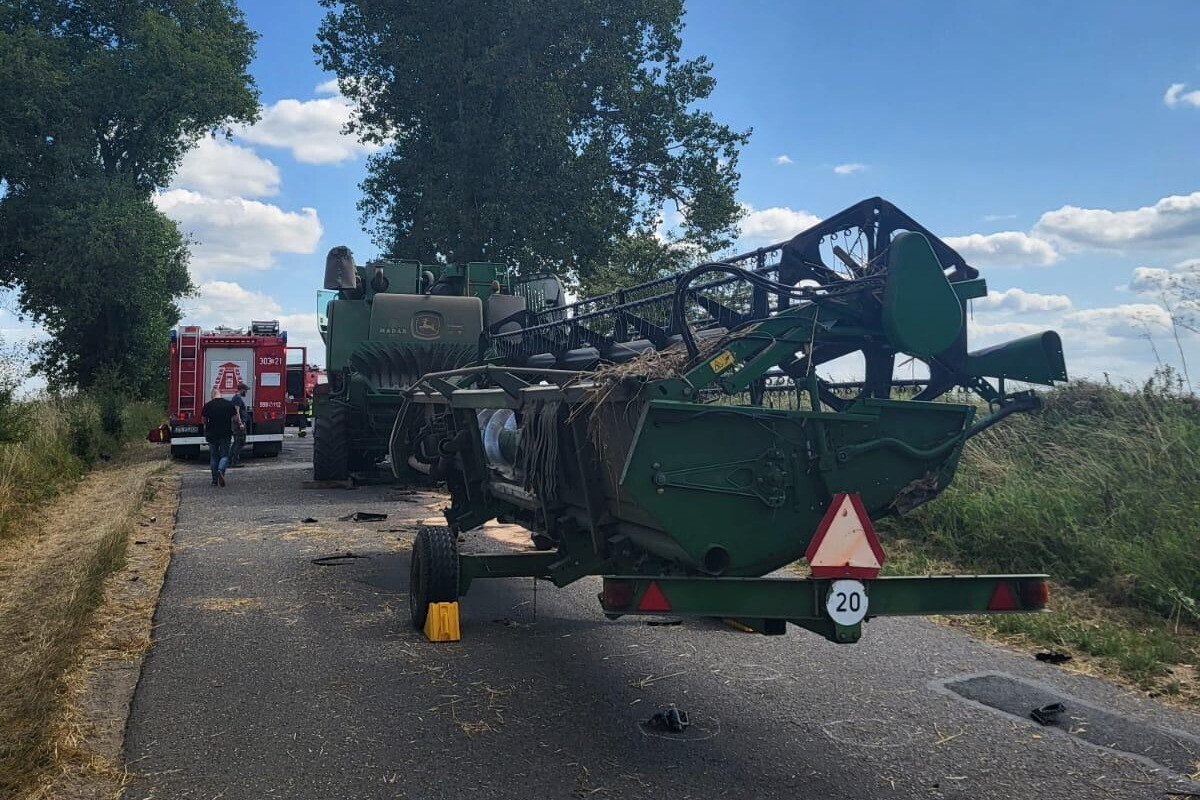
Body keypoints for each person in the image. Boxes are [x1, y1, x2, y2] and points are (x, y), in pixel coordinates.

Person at [202, 388, 237, 487]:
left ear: (212, 395)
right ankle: (221, 470)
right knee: (224, 456)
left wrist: (207, 426)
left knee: (213, 457)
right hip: (225, 434)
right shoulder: (228, 404)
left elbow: (204, 421)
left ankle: (214, 481)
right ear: (220, 394)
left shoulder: (208, 405)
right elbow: (234, 418)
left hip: (212, 434)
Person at [229, 382, 251, 467]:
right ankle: (234, 462)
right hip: (238, 424)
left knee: (236, 442)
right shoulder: (237, 398)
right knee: (239, 442)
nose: (246, 392)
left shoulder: (236, 398)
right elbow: (236, 411)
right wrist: (240, 423)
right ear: (242, 390)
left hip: (237, 423)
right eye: (245, 390)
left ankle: (230, 461)